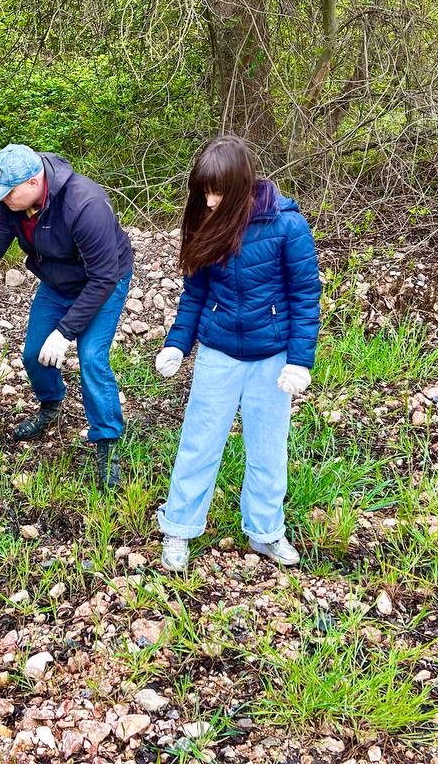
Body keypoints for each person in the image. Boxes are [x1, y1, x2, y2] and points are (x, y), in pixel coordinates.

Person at [152, 136, 320, 571]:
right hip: (219, 353)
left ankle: (266, 532)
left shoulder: (288, 226)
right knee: (198, 443)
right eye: (202, 190)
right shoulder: (205, 218)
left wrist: (300, 361)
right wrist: (177, 342)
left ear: (243, 185)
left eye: (217, 191)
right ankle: (179, 528)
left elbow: (305, 295)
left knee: (268, 449)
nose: (208, 201)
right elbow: (195, 294)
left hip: (272, 358)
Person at [0, 144, 134, 488]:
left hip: (102, 280)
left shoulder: (85, 204)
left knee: (91, 357)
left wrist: (66, 331)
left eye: (8, 192)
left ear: (34, 182)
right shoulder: (10, 203)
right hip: (56, 280)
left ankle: (108, 440)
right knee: (33, 354)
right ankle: (51, 406)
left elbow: (103, 276)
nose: (3, 199)